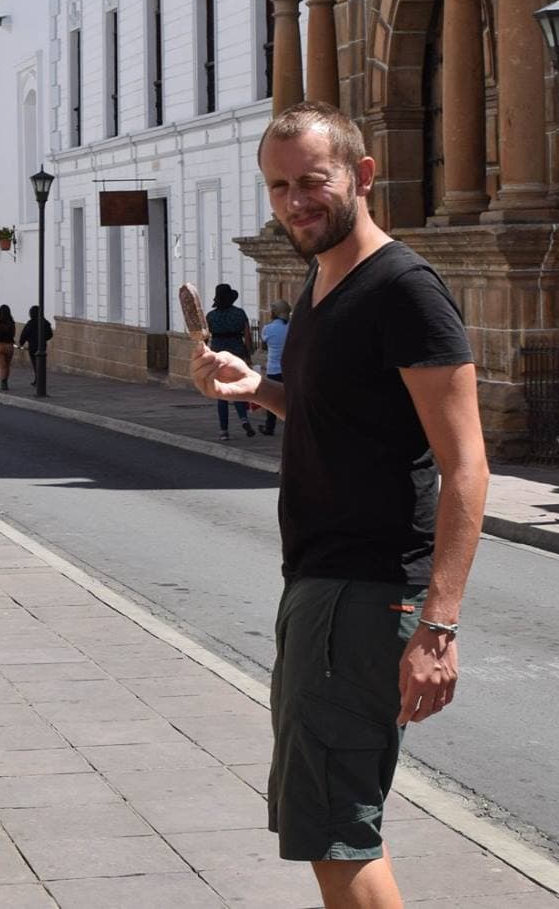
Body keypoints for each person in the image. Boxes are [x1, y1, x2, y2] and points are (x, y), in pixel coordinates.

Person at [189, 102, 489, 909]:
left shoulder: (404, 288)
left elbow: (466, 464)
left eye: (311, 181)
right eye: (279, 186)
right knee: (340, 823)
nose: (294, 201)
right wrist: (261, 389)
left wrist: (440, 624)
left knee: (334, 832)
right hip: (324, 588)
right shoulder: (324, 283)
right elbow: (349, 416)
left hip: (362, 592)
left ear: (361, 175)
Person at [205, 283, 256, 439]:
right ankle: (243, 419)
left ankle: (223, 431)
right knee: (238, 389)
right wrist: (248, 355)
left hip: (219, 354)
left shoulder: (211, 316)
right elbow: (247, 336)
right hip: (237, 352)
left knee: (221, 392)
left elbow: (205, 337)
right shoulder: (240, 314)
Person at [257, 299, 291, 435]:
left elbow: (264, 345)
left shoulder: (268, 328)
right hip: (288, 369)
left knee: (272, 400)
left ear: (275, 313)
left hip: (274, 368)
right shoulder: (292, 327)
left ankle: (269, 427)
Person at [18, 306, 53, 387]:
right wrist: (43, 338)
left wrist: (21, 343)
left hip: (33, 346)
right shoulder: (45, 322)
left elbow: (25, 334)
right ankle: (39, 379)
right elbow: (50, 334)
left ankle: (38, 380)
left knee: (35, 364)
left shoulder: (30, 323)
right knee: (41, 363)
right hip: (42, 346)